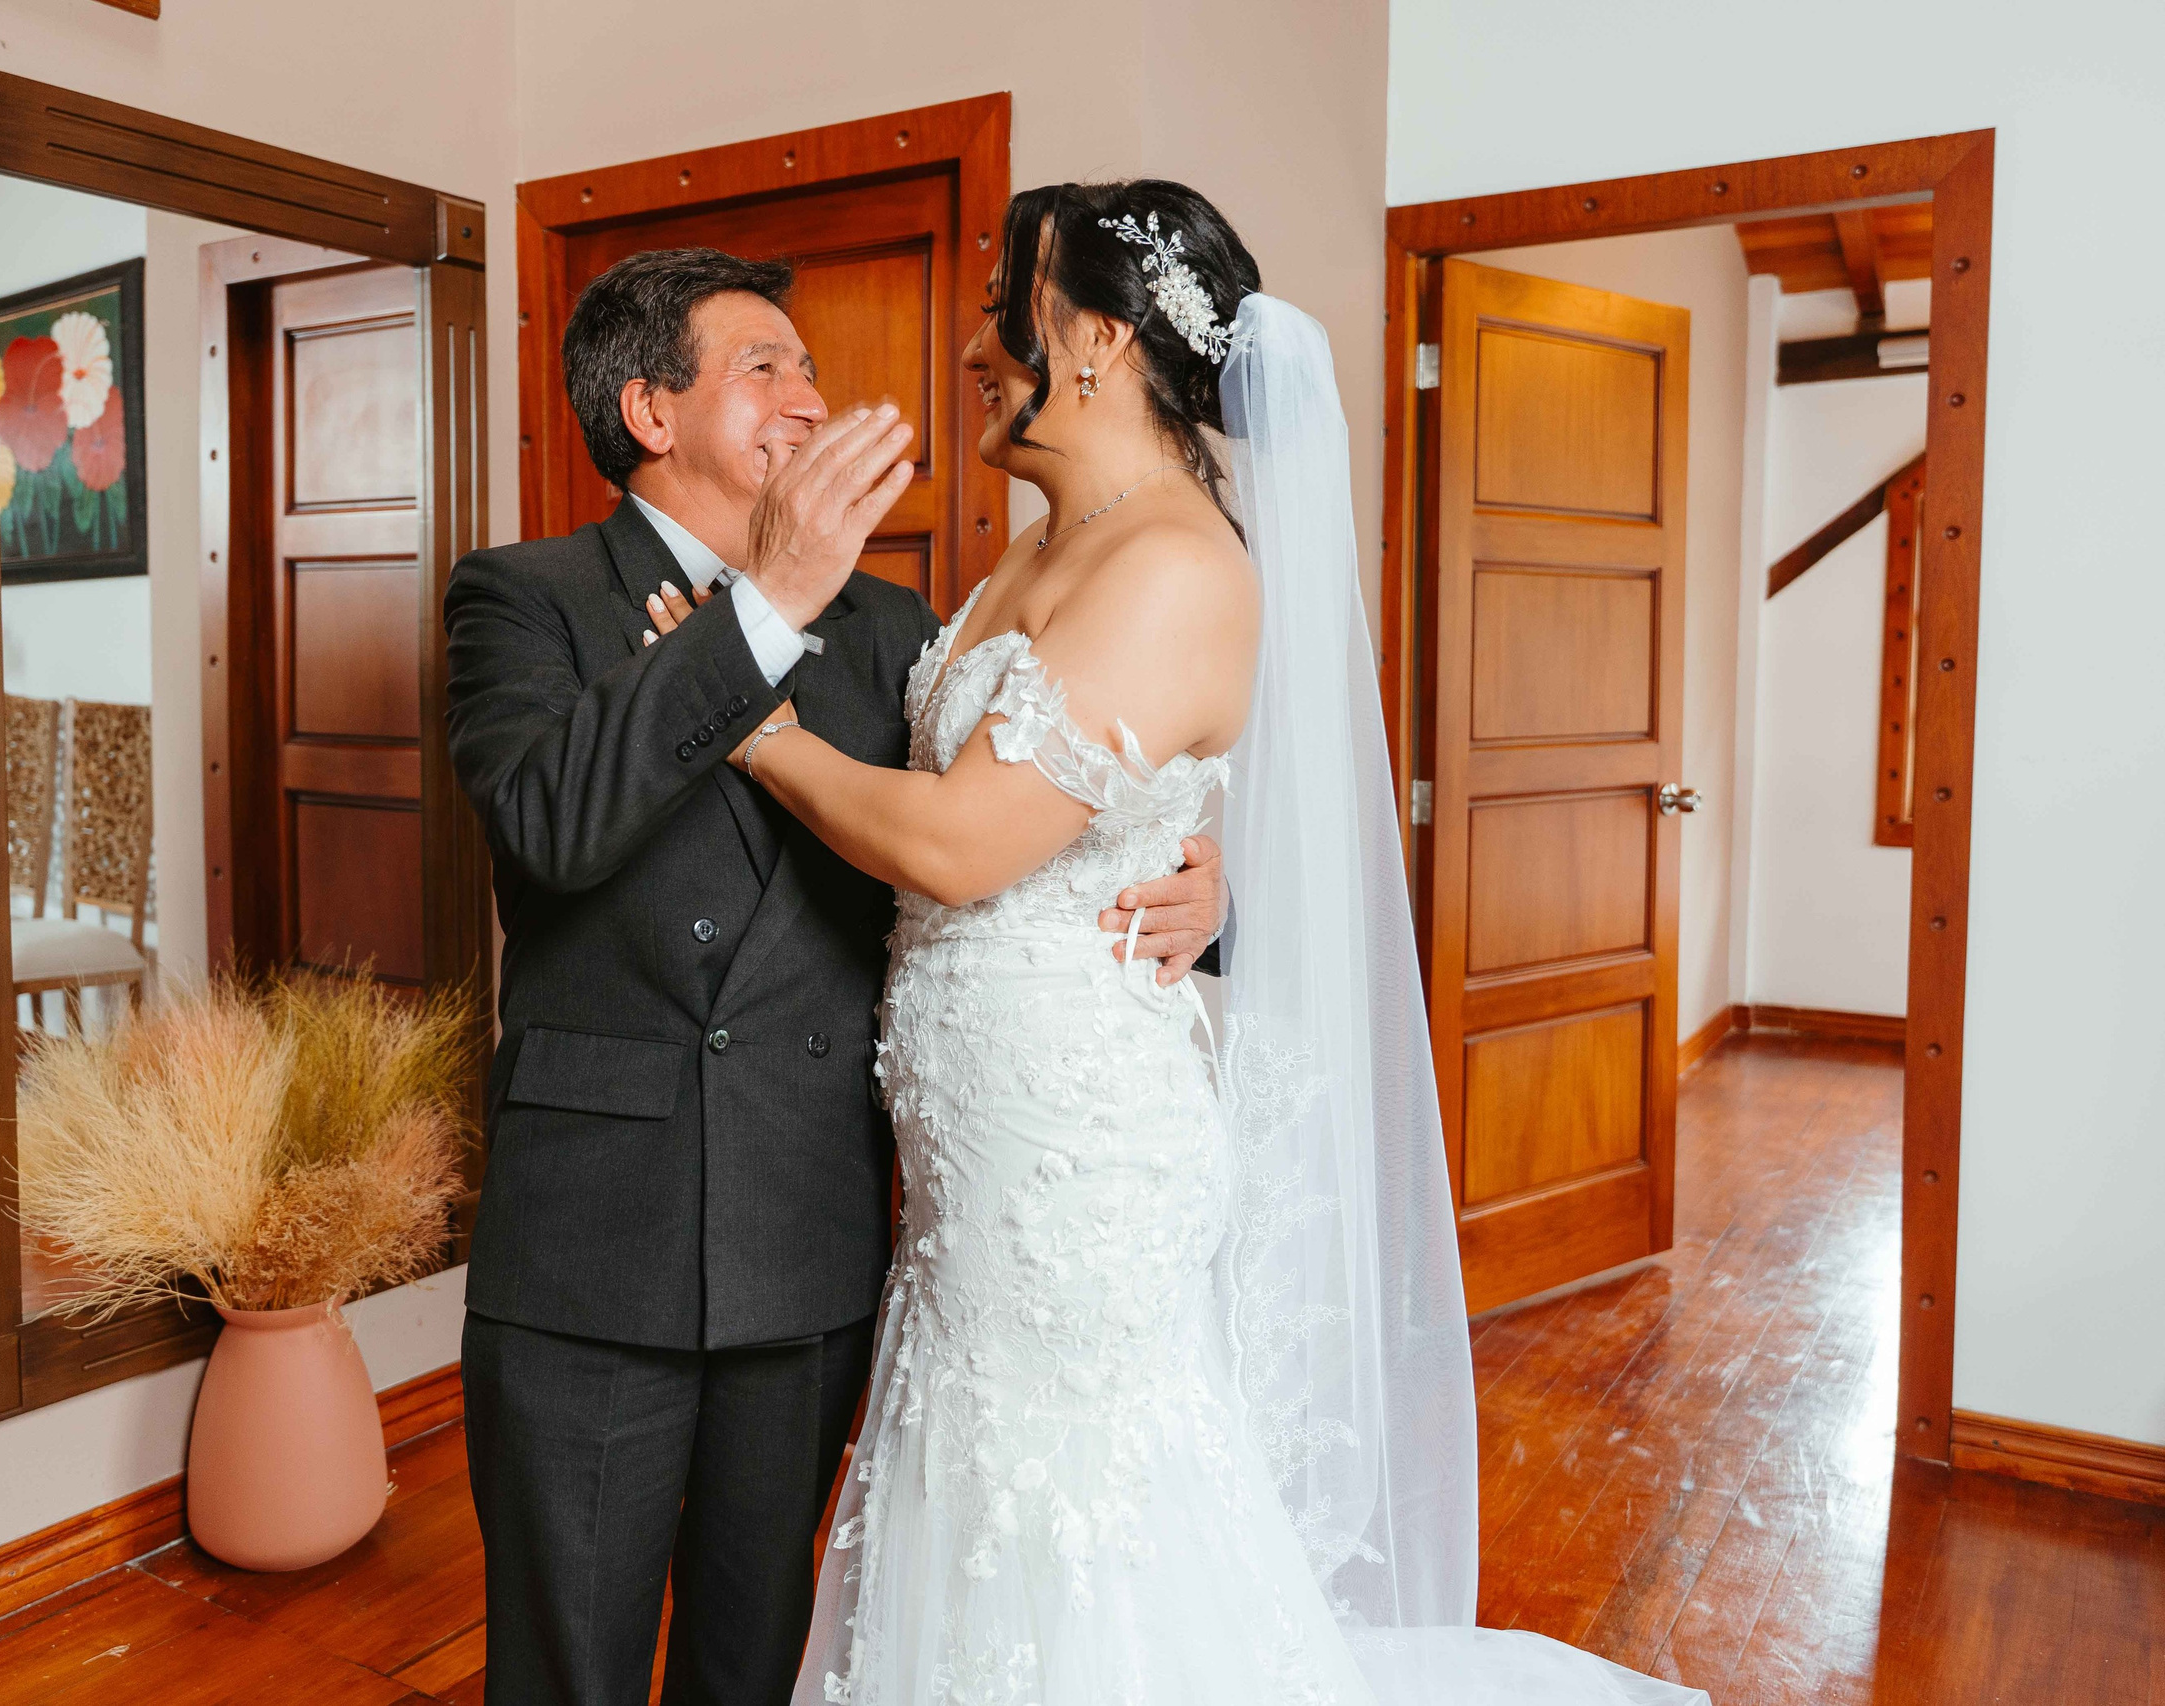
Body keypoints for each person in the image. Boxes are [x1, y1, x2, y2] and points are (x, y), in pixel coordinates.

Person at [644, 182, 1708, 1705]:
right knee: (980, 1495)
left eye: (1003, 307)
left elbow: (957, 838)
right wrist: (1172, 854)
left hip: (1076, 1159)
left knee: (1085, 1512)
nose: (971, 349)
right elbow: (1070, 795)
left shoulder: (1182, 565)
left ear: (1092, 340)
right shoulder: (1031, 552)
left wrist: (749, 729)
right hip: (972, 1161)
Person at [440, 246, 1228, 1706]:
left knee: (754, 1663)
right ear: (650, 411)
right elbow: (553, 826)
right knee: (567, 1675)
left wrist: (1199, 879)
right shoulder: (523, 598)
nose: (812, 398)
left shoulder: (899, 630)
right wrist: (757, 609)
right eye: (766, 369)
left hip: (805, 1238)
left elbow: (1026, 814)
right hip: (593, 1247)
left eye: (810, 368)